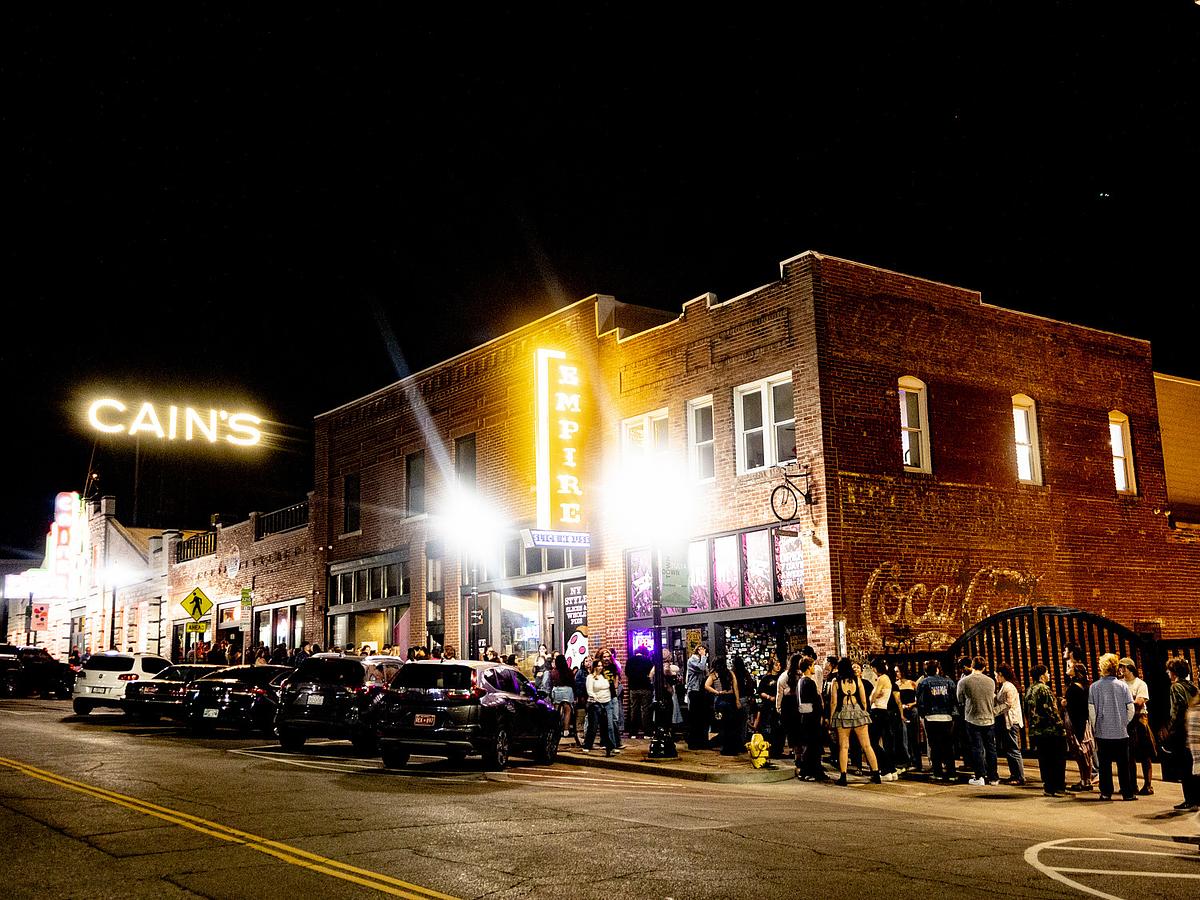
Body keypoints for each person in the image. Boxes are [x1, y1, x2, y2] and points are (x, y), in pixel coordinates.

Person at [1089, 652, 1136, 801]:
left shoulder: (1094, 687)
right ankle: (1127, 793)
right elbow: (1131, 708)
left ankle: (1106, 792)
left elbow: (1092, 711)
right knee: (1123, 764)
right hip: (1121, 732)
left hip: (1103, 732)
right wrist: (1124, 722)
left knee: (1104, 765)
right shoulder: (1123, 686)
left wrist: (1096, 727)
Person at [830, 657, 881, 785]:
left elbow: (834, 702)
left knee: (844, 746)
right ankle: (876, 773)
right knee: (867, 745)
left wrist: (831, 718)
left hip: (843, 713)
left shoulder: (836, 682)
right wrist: (864, 711)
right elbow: (864, 700)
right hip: (858, 711)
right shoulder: (857, 680)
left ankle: (843, 776)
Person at [1025, 664, 1069, 797]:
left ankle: (1048, 787)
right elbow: (1051, 710)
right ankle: (1058, 786)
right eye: (1047, 673)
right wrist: (1061, 725)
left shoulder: (1030, 689)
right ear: (1042, 675)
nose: (1049, 675)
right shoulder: (1044, 689)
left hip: (1036, 731)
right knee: (1057, 759)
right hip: (1051, 731)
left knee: (1044, 760)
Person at [1163, 658, 1199, 810]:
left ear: (1174, 672)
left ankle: (1189, 799)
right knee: (1193, 766)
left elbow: (1177, 710)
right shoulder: (1193, 687)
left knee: (1185, 767)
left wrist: (1170, 729)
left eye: (1169, 670)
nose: (1167, 673)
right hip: (1194, 729)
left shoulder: (1176, 687)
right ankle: (1197, 799)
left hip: (1182, 731)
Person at [958, 656, 999, 786]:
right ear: (984, 667)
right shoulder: (991, 681)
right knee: (991, 749)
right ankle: (993, 777)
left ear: (972, 665)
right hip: (989, 718)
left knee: (977, 748)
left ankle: (979, 776)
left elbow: (960, 699)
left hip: (972, 718)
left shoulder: (964, 681)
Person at [1118, 657, 1155, 795]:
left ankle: (1148, 784)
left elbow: (1139, 702)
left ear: (1130, 668)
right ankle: (1130, 784)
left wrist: (1125, 704)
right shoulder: (1120, 683)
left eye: (1123, 667)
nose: (1121, 670)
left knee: (1145, 753)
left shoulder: (1140, 684)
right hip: (1125, 721)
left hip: (1139, 720)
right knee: (1128, 755)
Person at [916, 659, 957, 782]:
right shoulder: (949, 682)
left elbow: (921, 701)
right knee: (948, 746)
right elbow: (954, 699)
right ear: (938, 669)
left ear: (926, 671)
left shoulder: (924, 683)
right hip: (947, 717)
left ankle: (937, 772)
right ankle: (951, 773)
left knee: (935, 746)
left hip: (931, 717)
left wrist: (923, 714)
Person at [1064, 663, 1096, 792]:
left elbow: (1073, 706)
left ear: (1076, 672)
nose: (1068, 669)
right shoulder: (1086, 687)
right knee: (1086, 753)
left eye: (1070, 667)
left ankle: (1085, 781)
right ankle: (1086, 780)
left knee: (1080, 753)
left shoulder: (1073, 688)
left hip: (1075, 722)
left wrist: (1064, 703)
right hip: (1085, 722)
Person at [796, 656, 827, 780]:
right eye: (813, 665)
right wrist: (821, 716)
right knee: (813, 746)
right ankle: (812, 771)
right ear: (809, 667)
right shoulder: (809, 682)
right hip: (812, 717)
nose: (814, 667)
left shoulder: (800, 682)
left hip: (804, 716)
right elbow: (816, 702)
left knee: (808, 745)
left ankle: (807, 770)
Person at [994, 664, 1026, 785]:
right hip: (1009, 721)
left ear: (1001, 674)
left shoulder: (1008, 687)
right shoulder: (1006, 686)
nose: (996, 677)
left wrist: (994, 712)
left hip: (1011, 721)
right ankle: (1014, 775)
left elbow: (1008, 704)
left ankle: (1019, 776)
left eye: (997, 674)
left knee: (1013, 749)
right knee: (1010, 749)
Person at [705, 655, 741, 755]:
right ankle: (732, 748)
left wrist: (716, 692)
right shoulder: (730, 673)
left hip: (720, 700)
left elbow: (706, 686)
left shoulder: (713, 675)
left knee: (723, 725)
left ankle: (725, 748)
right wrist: (738, 701)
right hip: (730, 699)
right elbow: (735, 688)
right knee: (732, 725)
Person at [868, 656, 896, 779]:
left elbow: (872, 697)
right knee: (879, 742)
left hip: (877, 712)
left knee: (873, 743)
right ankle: (891, 769)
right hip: (883, 711)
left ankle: (886, 770)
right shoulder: (887, 678)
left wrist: (871, 697)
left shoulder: (881, 678)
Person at [584, 658, 617, 756]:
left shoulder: (604, 676)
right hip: (596, 703)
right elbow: (589, 691)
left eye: (601, 666)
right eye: (598, 666)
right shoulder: (590, 677)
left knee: (608, 726)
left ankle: (610, 746)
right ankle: (587, 745)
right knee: (593, 726)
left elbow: (609, 687)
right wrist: (596, 698)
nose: (600, 667)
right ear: (594, 667)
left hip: (607, 702)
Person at [625, 646, 654, 739]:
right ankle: (647, 733)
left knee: (634, 710)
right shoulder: (647, 661)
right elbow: (651, 674)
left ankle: (633, 732)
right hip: (645, 687)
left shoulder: (630, 660)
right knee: (645, 710)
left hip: (633, 688)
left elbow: (626, 673)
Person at [895, 664, 920, 772]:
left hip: (912, 710)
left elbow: (919, 698)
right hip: (902, 711)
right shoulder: (896, 685)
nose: (896, 673)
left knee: (914, 735)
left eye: (897, 671)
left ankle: (916, 761)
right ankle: (907, 760)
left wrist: (912, 704)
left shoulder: (912, 683)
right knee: (904, 737)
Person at [757, 656, 783, 757]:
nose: (778, 667)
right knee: (768, 728)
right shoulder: (766, 678)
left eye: (779, 665)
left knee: (779, 728)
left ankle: (778, 750)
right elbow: (760, 692)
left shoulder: (781, 677)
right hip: (768, 706)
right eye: (776, 665)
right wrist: (769, 697)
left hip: (779, 706)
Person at [685, 643, 710, 750]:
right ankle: (694, 742)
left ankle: (702, 741)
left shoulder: (702, 661)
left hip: (701, 691)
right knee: (694, 717)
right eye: (701, 650)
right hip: (694, 691)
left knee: (702, 718)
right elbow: (700, 668)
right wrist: (704, 657)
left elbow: (706, 673)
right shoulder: (692, 660)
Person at [549, 653, 575, 741]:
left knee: (557, 710)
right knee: (567, 710)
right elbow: (572, 682)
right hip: (567, 690)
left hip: (557, 690)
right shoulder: (568, 671)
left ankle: (556, 728)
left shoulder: (553, 672)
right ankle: (566, 730)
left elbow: (552, 682)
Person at [731, 655, 755, 744]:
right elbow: (750, 685)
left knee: (735, 722)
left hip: (734, 699)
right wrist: (751, 696)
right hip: (745, 698)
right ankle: (742, 741)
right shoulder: (745, 673)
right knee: (743, 723)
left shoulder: (732, 673)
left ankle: (735, 742)